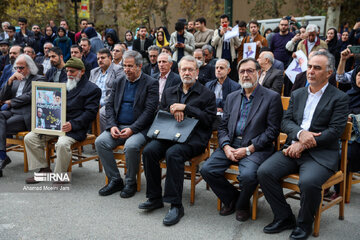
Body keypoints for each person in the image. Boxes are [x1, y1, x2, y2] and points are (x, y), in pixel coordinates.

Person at [257, 51, 349, 240]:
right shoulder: (297, 93)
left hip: (320, 154)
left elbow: (335, 131)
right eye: (309, 67)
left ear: (329, 73)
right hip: (293, 147)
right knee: (264, 171)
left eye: (317, 68)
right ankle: (284, 217)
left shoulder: (339, 97)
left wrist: (303, 144)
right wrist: (300, 134)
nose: (311, 71)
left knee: (308, 182)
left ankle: (304, 224)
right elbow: (286, 121)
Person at [201, 58, 283, 222]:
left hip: (256, 148)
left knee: (247, 176)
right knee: (206, 169)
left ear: (258, 73)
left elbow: (272, 131)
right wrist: (225, 147)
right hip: (231, 145)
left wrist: (249, 149)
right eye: (242, 71)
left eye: (250, 71)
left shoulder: (271, 97)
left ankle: (242, 205)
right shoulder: (232, 97)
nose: (246, 75)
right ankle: (235, 198)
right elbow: (223, 127)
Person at [138, 56, 216, 226]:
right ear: (178, 71)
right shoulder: (170, 91)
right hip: (169, 133)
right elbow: (161, 113)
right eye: (184, 69)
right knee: (149, 151)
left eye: (191, 69)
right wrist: (173, 110)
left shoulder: (207, 94)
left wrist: (187, 108)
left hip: (194, 139)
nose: (187, 72)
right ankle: (155, 197)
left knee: (173, 154)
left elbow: (209, 120)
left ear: (197, 72)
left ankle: (175, 205)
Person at [24, 57, 101, 183]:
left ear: (82, 71)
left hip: (74, 127)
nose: (69, 74)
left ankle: (60, 175)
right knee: (30, 138)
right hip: (55, 124)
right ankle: (43, 169)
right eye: (67, 71)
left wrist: (72, 124)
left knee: (62, 144)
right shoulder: (63, 85)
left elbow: (90, 114)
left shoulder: (92, 89)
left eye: (72, 71)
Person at [95, 50, 158, 198]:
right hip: (118, 126)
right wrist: (112, 126)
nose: (126, 70)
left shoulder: (151, 83)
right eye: (124, 66)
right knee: (100, 142)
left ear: (139, 66)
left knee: (131, 146)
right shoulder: (119, 81)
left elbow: (149, 112)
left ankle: (130, 182)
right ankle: (115, 180)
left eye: (130, 66)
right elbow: (109, 106)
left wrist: (132, 129)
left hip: (139, 129)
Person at [0, 54, 45, 176]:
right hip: (11, 112)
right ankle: (2, 156)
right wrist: (9, 81)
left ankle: (2, 157)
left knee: (3, 125)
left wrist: (11, 102)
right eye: (17, 68)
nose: (18, 71)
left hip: (26, 115)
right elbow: (2, 97)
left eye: (21, 68)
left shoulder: (39, 79)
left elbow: (30, 96)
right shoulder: (14, 80)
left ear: (29, 67)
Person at [89, 48, 123, 132]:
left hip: (109, 103)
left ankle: (104, 138)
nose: (100, 60)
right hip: (94, 103)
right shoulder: (94, 72)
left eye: (103, 58)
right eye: (98, 58)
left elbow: (117, 91)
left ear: (110, 58)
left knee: (101, 113)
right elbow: (88, 90)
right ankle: (82, 139)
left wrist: (100, 103)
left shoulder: (118, 70)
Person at [205, 59, 241, 129]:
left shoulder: (236, 87)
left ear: (228, 70)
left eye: (221, 68)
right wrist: (216, 107)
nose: (218, 70)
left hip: (227, 119)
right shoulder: (208, 85)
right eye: (216, 68)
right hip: (210, 116)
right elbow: (205, 101)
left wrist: (215, 104)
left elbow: (233, 105)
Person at [211, 14, 241, 79]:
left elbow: (238, 44)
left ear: (228, 22)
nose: (224, 24)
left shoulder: (232, 30)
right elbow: (213, 43)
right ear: (220, 23)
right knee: (221, 76)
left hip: (231, 58)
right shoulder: (217, 31)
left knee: (231, 76)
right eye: (222, 22)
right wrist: (220, 34)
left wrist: (233, 34)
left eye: (225, 22)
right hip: (221, 57)